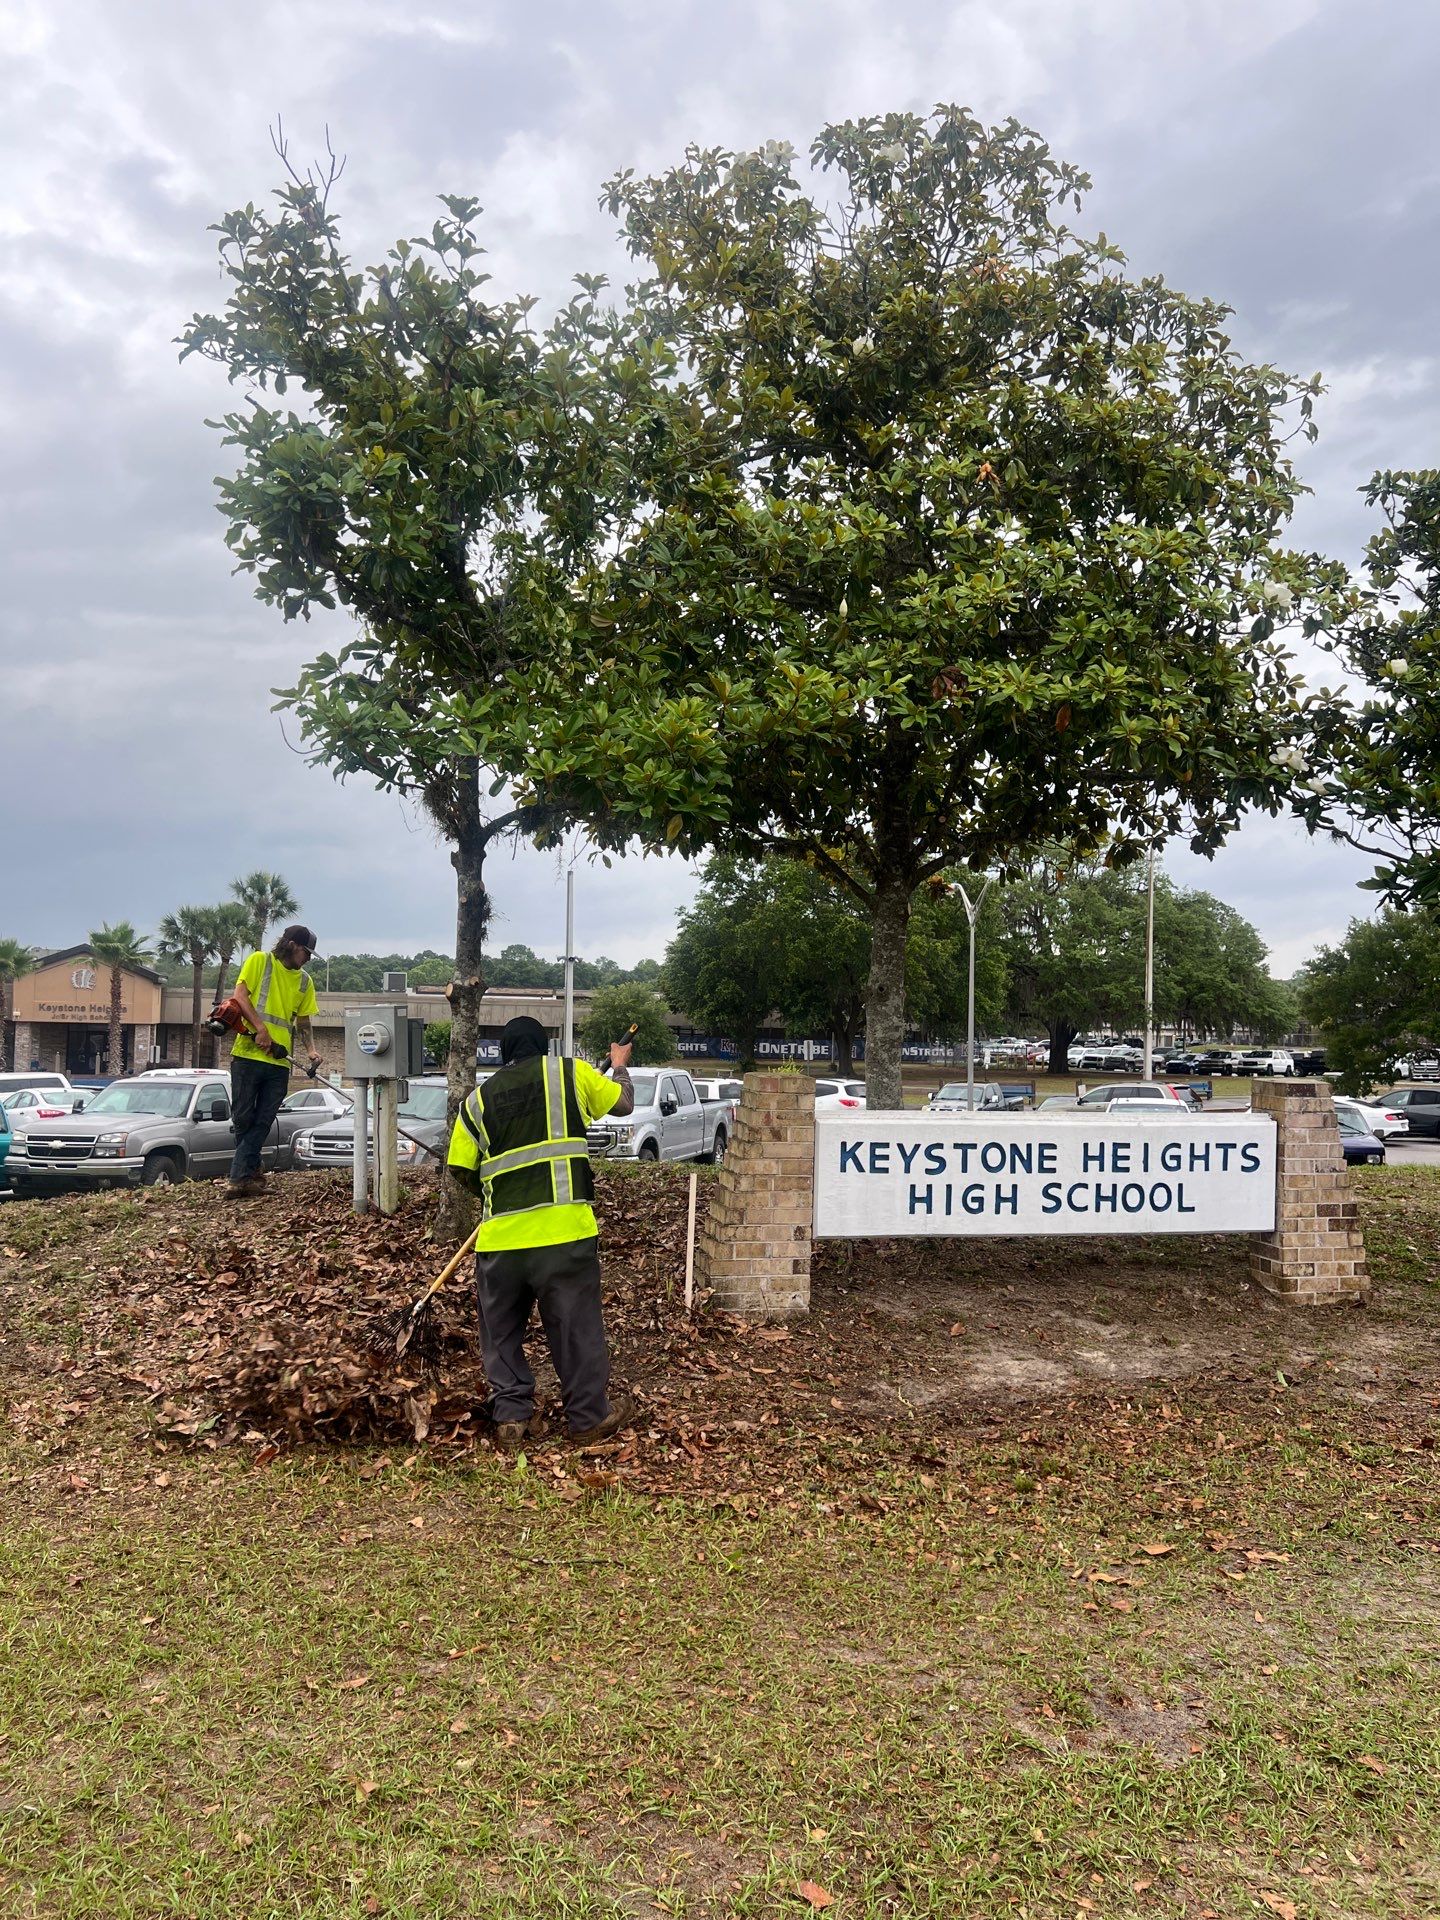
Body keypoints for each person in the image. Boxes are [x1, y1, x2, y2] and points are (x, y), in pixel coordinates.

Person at [447, 1014, 634, 1449]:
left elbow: (460, 1169)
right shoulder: (569, 1072)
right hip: (563, 1234)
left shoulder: (476, 1101)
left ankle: (511, 1417)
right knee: (575, 1328)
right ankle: (588, 1419)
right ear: (544, 1046)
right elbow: (623, 1104)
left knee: (501, 1333)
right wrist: (619, 1063)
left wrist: (497, 1197)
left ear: (503, 1053)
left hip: (501, 1240)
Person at [225, 924, 323, 1197]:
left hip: (280, 1063)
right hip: (247, 1054)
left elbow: (303, 1021)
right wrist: (261, 1029)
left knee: (263, 1121)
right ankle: (251, 1176)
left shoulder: (305, 981)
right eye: (307, 952)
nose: (309, 959)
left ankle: (237, 1180)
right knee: (243, 1120)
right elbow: (240, 997)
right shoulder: (260, 961)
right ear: (291, 944)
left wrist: (311, 1050)